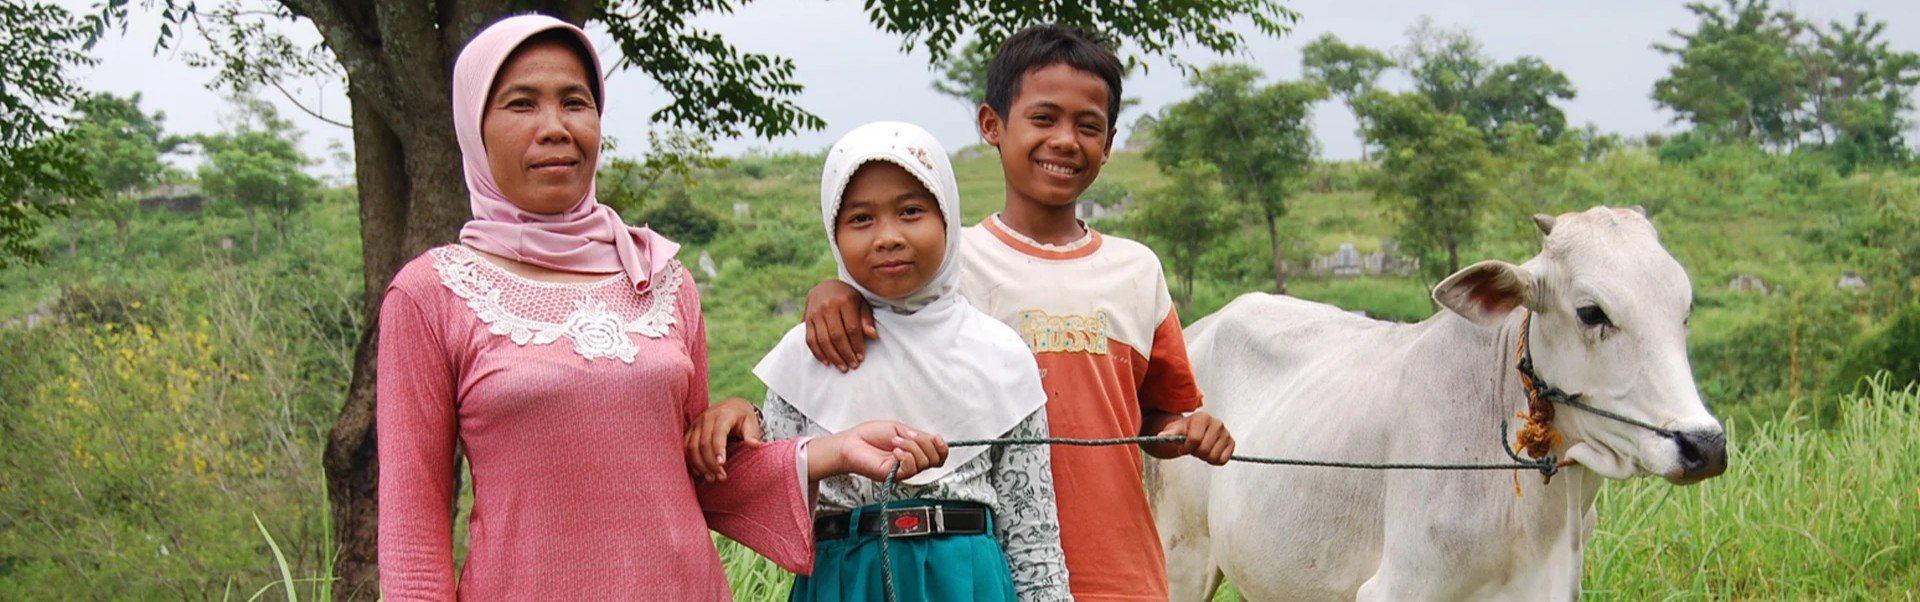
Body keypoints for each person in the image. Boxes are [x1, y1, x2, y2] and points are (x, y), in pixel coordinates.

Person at [375, 15, 945, 600]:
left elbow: (704, 475)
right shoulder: (431, 294)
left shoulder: (660, 278)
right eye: (521, 104)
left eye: (575, 102)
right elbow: (412, 543)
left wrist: (836, 449)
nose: (554, 127)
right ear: (474, 126)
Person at [798, 25, 1235, 601]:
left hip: (1122, 573)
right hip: (980, 572)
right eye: (1044, 118)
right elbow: (877, 322)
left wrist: (1185, 431)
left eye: (1088, 126)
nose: (1065, 140)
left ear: (1108, 143)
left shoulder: (1138, 271)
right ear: (992, 125)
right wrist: (833, 290)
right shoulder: (942, 268)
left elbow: (1158, 418)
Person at [689, 122, 1072, 601]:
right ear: (833, 230)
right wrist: (743, 417)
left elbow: (1034, 538)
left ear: (948, 217)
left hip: (968, 584)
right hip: (846, 582)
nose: (887, 237)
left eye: (911, 211)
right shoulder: (810, 353)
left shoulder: (1002, 357)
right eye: (861, 219)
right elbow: (771, 487)